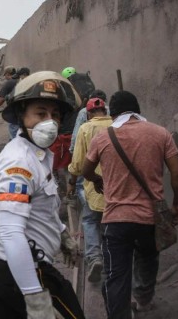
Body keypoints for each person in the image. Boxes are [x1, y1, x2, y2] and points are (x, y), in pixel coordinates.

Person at [0, 71, 85, 319]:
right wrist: (35, 299)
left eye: (55, 115)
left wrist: (60, 234)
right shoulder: (18, 165)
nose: (50, 121)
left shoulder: (38, 155)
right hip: (21, 271)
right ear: (20, 115)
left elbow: (41, 207)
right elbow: (11, 232)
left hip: (2, 266)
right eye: (40, 113)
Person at [82, 90, 178, 318]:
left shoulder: (103, 137)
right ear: (137, 110)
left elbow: (85, 169)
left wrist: (98, 180)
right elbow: (177, 173)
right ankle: (143, 300)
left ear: (114, 113)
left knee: (116, 276)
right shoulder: (161, 133)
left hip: (116, 220)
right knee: (148, 260)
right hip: (151, 218)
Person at [67, 97, 112, 283]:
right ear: (106, 111)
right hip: (117, 186)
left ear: (88, 113)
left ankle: (94, 258)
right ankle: (112, 261)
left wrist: (71, 181)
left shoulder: (85, 129)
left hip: (95, 185)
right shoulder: (116, 125)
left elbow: (78, 164)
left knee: (90, 220)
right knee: (109, 224)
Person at [0, 66, 18, 139]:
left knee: (14, 133)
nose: (5, 77)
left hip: (15, 113)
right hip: (25, 112)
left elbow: (2, 99)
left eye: (5, 75)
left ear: (8, 74)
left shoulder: (9, 83)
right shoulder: (20, 80)